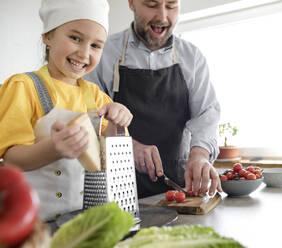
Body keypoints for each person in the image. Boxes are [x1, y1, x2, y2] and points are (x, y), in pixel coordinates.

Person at [0, 0, 133, 220]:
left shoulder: (98, 97)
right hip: (35, 223)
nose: (84, 53)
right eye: (75, 38)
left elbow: (107, 161)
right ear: (48, 36)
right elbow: (11, 158)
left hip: (82, 222)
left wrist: (118, 123)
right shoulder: (23, 87)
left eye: (95, 46)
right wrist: (54, 148)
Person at [86, 0, 222, 198]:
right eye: (151, 5)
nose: (162, 16)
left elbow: (206, 114)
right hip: (118, 190)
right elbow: (88, 117)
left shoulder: (192, 57)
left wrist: (200, 155)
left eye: (171, 5)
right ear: (132, 3)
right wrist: (127, 146)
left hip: (179, 189)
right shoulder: (103, 53)